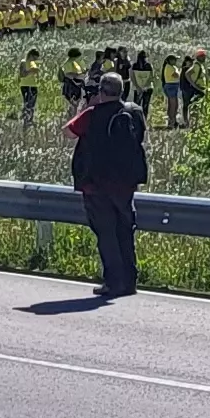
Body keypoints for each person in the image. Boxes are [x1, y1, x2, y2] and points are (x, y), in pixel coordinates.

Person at [66, 72, 148, 298]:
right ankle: (130, 281)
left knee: (106, 233)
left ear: (101, 92)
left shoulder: (92, 114)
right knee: (125, 230)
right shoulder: (135, 112)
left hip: (97, 183)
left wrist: (86, 106)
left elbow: (68, 133)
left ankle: (113, 282)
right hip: (126, 183)